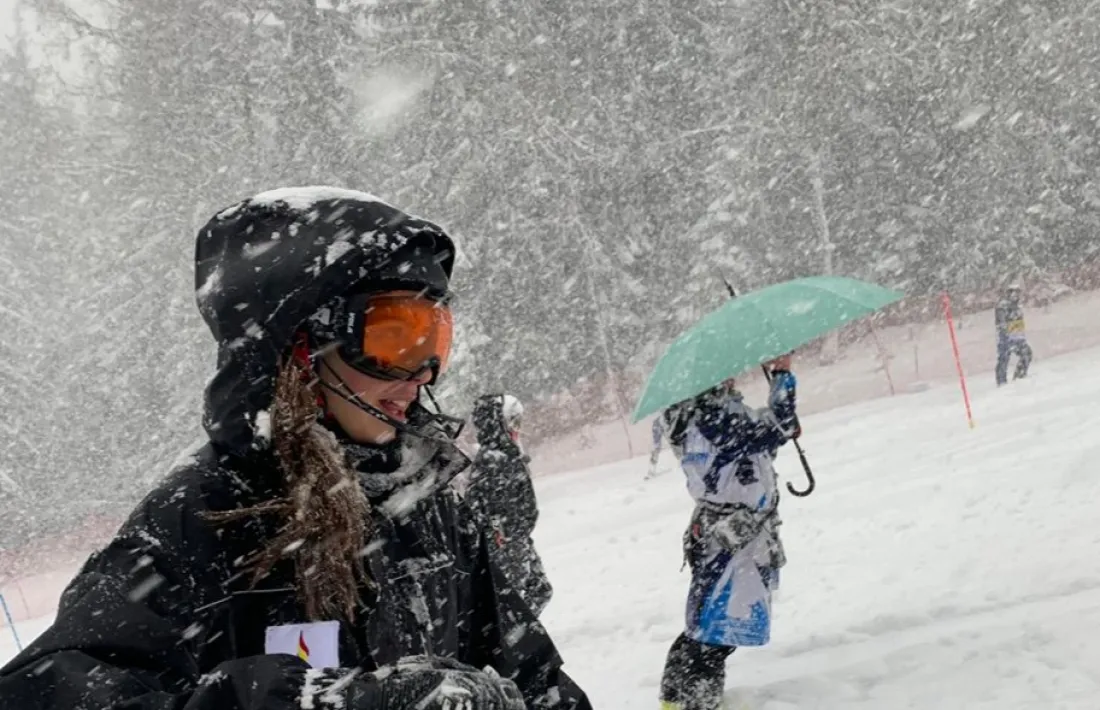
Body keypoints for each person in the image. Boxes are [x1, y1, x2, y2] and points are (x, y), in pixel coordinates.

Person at [0, 187, 591, 710]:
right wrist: (311, 699)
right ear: (298, 347)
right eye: (395, 338)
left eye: (435, 338)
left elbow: (534, 673)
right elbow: (42, 692)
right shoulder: (200, 520)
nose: (422, 375)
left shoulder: (423, 502)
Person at [658, 356, 799, 710]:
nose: (733, 377)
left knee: (704, 625)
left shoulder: (693, 415)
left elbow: (756, 449)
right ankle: (699, 704)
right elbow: (772, 428)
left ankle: (674, 701)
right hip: (733, 541)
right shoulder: (713, 417)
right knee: (714, 635)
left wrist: (779, 427)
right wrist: (782, 375)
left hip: (720, 534)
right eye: (725, 373)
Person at [464, 394, 553, 616]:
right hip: (506, 542)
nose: (517, 428)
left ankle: (519, 635)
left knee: (540, 590)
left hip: (517, 537)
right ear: (498, 423)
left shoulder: (506, 455)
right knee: (511, 600)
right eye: (513, 422)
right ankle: (512, 639)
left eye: (518, 422)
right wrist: (503, 540)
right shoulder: (493, 462)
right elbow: (490, 511)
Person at [995, 283, 1032, 385]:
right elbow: (1001, 323)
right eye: (1013, 292)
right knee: (1004, 359)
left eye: (1017, 292)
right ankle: (1001, 382)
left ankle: (1020, 377)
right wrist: (1007, 333)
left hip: (1018, 337)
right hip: (1006, 339)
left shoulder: (1017, 306)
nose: (1016, 295)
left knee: (1027, 354)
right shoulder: (1003, 306)